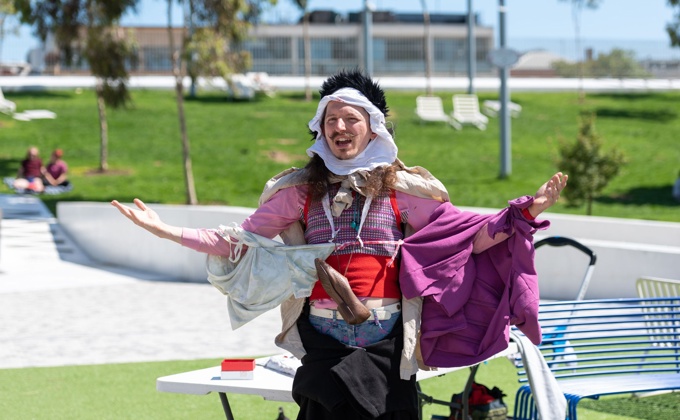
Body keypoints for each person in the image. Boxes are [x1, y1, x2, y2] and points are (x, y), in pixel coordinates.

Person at [111, 69, 567, 419]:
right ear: (320, 128)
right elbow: (239, 241)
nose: (340, 126)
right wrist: (166, 231)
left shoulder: (403, 190)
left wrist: (526, 213)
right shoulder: (298, 191)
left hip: (389, 339)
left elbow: (468, 238)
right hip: (323, 340)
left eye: (351, 117)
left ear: (373, 127)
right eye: (332, 119)